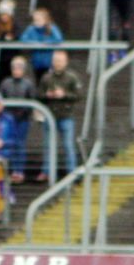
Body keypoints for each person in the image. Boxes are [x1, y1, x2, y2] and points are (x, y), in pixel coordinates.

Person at [38, 50, 82, 178]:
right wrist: (47, 95)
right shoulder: (46, 78)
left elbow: (79, 95)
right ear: (52, 61)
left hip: (66, 115)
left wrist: (64, 95)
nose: (58, 63)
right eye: (56, 60)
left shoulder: (72, 77)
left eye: (60, 61)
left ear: (66, 62)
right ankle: (46, 171)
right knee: (48, 145)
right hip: (50, 115)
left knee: (68, 145)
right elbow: (38, 94)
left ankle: (72, 171)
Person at [0, 57, 37, 183]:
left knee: (20, 144)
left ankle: (18, 171)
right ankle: (8, 170)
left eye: (19, 68)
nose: (17, 70)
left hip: (22, 118)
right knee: (8, 144)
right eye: (15, 68)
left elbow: (31, 101)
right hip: (9, 118)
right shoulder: (6, 83)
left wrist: (24, 113)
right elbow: (1, 99)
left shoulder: (28, 84)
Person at [20, 8, 64, 81]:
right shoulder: (31, 28)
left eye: (39, 20)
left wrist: (47, 43)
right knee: (39, 81)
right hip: (37, 62)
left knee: (49, 81)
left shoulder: (51, 27)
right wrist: (35, 43)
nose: (36, 22)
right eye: (35, 20)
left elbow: (58, 39)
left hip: (49, 62)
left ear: (45, 20)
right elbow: (23, 39)